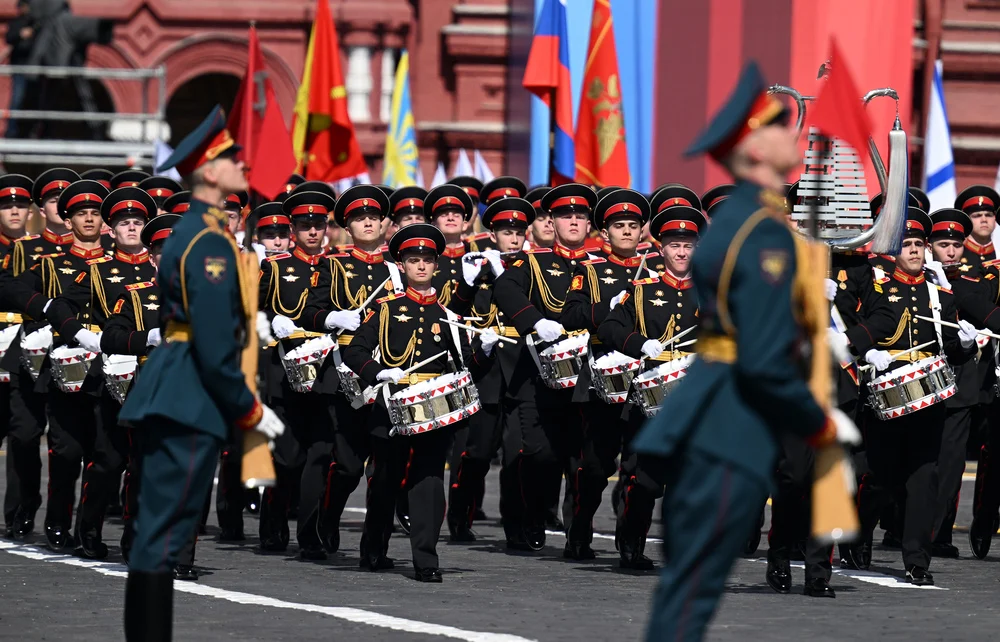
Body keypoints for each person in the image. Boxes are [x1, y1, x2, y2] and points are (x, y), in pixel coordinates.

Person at [637, 62, 860, 641]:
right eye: (780, 129)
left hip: (722, 400)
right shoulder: (760, 234)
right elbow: (762, 355)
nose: (795, 139)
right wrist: (816, 421)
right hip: (736, 409)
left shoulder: (744, 221)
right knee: (697, 574)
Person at [117, 106, 285, 641]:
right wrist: (248, 407)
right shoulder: (210, 242)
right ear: (210, 172)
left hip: (178, 381)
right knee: (166, 533)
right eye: (234, 160)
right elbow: (213, 344)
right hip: (191, 390)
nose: (243, 167)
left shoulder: (192, 231)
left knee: (159, 531)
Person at [342, 223, 494, 581]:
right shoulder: (385, 308)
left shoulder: (451, 316)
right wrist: (377, 371)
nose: (421, 266)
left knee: (428, 482)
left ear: (437, 265)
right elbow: (354, 351)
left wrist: (484, 352)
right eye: (414, 260)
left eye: (428, 260)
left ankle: (426, 560)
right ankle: (374, 549)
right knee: (385, 481)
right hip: (391, 405)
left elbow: (465, 367)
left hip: (433, 411)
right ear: (402, 265)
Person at [850, 207, 975, 585]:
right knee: (882, 478)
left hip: (929, 402)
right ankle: (858, 531)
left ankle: (917, 560)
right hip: (886, 400)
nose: (916, 250)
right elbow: (853, 327)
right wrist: (867, 351)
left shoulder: (940, 296)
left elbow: (949, 348)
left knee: (925, 478)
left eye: (920, 243)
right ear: (893, 249)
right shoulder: (874, 287)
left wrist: (965, 345)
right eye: (907, 244)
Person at [46, 185, 158, 559]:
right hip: (110, 377)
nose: (131, 228)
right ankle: (89, 527)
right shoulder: (97, 270)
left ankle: (134, 538)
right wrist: (79, 334)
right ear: (111, 229)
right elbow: (60, 304)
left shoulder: (161, 269)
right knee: (108, 460)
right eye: (124, 222)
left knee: (143, 464)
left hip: (154, 378)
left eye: (138, 221)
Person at [599, 201, 707, 570]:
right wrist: (637, 344)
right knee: (643, 480)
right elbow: (609, 327)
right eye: (674, 245)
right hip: (650, 397)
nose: (681, 252)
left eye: (688, 245)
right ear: (661, 248)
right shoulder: (641, 290)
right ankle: (631, 543)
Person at [4, 178, 110, 551]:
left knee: (107, 455)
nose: (89, 220)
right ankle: (58, 522)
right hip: (66, 369)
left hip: (112, 369)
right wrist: (44, 307)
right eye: (81, 213)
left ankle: (91, 529)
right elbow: (11, 288)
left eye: (96, 213)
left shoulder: (121, 265)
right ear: (69, 220)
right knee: (66, 451)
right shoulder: (52, 264)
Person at [492, 182, 598, 550]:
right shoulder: (531, 261)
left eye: (580, 216)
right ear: (550, 221)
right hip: (536, 376)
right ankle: (530, 515)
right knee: (540, 454)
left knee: (581, 459)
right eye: (566, 215)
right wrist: (535, 320)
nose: (573, 221)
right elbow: (505, 290)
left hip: (588, 377)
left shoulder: (600, 266)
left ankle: (578, 534)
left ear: (590, 224)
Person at [298, 183, 401, 553]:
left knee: (385, 466)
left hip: (387, 375)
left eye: (374, 217)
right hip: (344, 375)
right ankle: (327, 517)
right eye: (360, 218)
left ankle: (376, 547)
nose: (368, 223)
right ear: (347, 226)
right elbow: (308, 312)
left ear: (386, 223)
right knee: (347, 465)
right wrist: (332, 318)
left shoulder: (398, 268)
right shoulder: (333, 264)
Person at [100, 212, 202, 579]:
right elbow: (110, 337)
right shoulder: (136, 296)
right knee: (145, 474)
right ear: (152, 256)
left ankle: (182, 555)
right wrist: (147, 339)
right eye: (162, 250)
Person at [561, 188, 658, 561]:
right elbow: (570, 317)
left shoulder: (656, 269)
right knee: (597, 466)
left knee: (640, 466)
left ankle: (631, 543)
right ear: (605, 233)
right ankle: (579, 531)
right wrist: (606, 308)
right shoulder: (588, 269)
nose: (628, 232)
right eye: (619, 226)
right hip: (603, 378)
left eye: (634, 225)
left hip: (647, 380)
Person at [256, 188, 342, 560]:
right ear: (292, 228)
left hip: (326, 370)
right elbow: (251, 313)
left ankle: (310, 534)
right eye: (305, 225)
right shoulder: (275, 268)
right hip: (286, 370)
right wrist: (271, 322)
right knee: (289, 457)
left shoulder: (338, 266)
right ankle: (273, 521)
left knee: (321, 454)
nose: (312, 231)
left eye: (318, 224)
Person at [446, 196, 533, 542]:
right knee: (477, 453)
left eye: (518, 232)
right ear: (491, 234)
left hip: (523, 368)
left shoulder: (532, 268)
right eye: (505, 231)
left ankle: (516, 527)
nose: (513, 238)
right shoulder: (475, 267)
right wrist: (468, 284)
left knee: (517, 454)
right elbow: (454, 313)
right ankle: (459, 516)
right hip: (484, 370)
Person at [0, 168, 77, 541]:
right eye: (52, 202)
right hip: (30, 354)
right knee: (25, 435)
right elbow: (11, 295)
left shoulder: (92, 254)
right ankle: (21, 508)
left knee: (65, 445)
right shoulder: (25, 249)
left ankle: (59, 518)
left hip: (74, 357)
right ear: (41, 209)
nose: (60, 209)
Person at [4, 0, 35, 139]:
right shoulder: (16, 23)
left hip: (34, 66)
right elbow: (9, 38)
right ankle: (12, 130)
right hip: (19, 66)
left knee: (32, 99)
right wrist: (20, 35)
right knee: (17, 98)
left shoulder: (36, 22)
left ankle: (31, 131)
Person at [955, 185, 998, 272]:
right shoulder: (954, 254)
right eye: (977, 216)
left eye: (988, 215)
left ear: (995, 219)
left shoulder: (998, 253)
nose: (984, 220)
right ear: (967, 220)